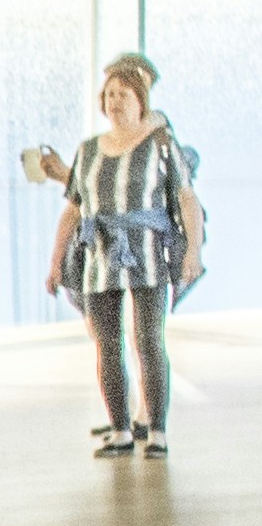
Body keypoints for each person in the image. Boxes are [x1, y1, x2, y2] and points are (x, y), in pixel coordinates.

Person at [42, 55, 205, 456]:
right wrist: (56, 260)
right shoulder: (90, 149)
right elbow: (76, 205)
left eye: (124, 93)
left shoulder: (161, 143)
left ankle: (157, 429)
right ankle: (120, 430)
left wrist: (192, 252)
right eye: (109, 94)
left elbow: (186, 198)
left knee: (149, 340)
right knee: (107, 344)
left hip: (147, 254)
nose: (115, 100)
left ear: (141, 98)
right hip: (100, 256)